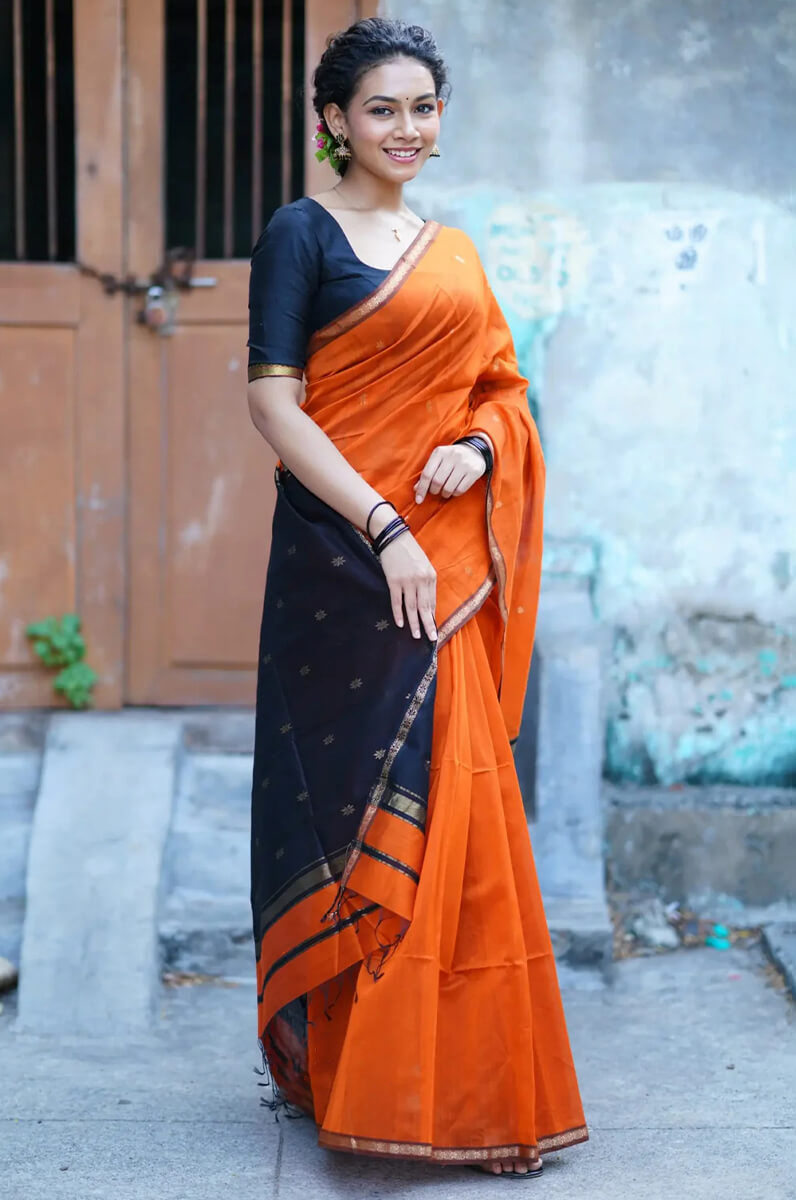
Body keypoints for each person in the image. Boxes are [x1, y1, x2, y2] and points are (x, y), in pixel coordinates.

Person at [246, 17, 588, 1179]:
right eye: (381, 108)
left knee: (465, 831)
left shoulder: (452, 251)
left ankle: (482, 1099)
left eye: (423, 108)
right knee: (360, 819)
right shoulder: (301, 234)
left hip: (445, 563)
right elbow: (276, 409)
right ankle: (362, 1080)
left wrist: (486, 455)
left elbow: (502, 391)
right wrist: (385, 523)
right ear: (334, 119)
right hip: (346, 568)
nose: (405, 129)